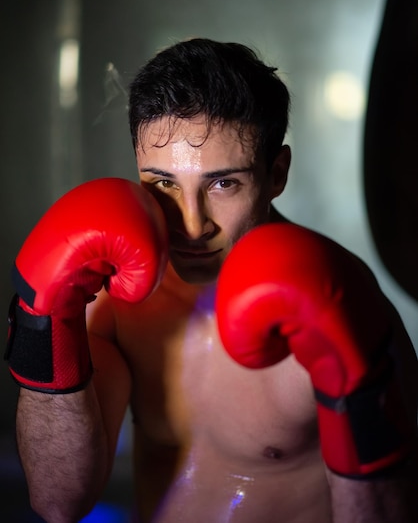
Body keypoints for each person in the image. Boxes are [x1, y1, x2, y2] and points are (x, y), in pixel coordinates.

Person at [6, 38, 418, 523]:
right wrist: (42, 320)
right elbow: (57, 502)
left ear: (276, 174)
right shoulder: (114, 299)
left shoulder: (339, 301)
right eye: (163, 183)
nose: (193, 224)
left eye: (223, 183)